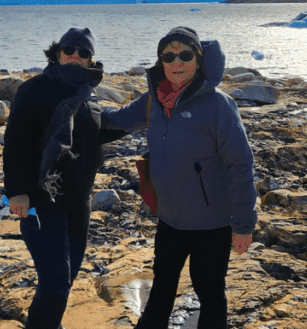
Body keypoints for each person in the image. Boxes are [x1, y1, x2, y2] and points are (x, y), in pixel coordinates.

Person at [103, 26, 257, 329]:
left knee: (210, 293)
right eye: (168, 56)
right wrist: (78, 113)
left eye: (185, 54)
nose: (177, 62)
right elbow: (117, 121)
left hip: (212, 225)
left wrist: (243, 226)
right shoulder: (155, 100)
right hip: (170, 221)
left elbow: (241, 165)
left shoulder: (218, 104)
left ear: (198, 60)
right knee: (161, 290)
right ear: (161, 61)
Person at [3, 27, 124, 329]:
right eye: (69, 50)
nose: (75, 56)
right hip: (41, 200)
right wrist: (16, 191)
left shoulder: (87, 94)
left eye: (83, 53)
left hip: (78, 203)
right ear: (57, 53)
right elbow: (15, 141)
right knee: (56, 282)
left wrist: (152, 112)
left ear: (90, 60)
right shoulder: (35, 88)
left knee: (62, 280)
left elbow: (94, 133)